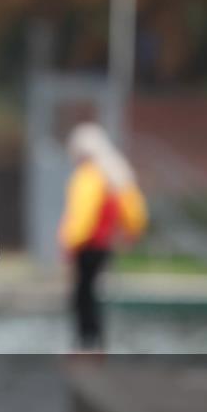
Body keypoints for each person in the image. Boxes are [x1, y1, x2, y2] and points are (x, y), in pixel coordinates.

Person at [58, 122, 147, 351]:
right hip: (103, 246)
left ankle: (86, 344)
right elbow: (134, 212)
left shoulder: (88, 177)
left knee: (82, 296)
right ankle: (96, 343)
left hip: (87, 247)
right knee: (92, 294)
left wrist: (70, 242)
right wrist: (130, 233)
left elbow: (83, 215)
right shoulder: (114, 175)